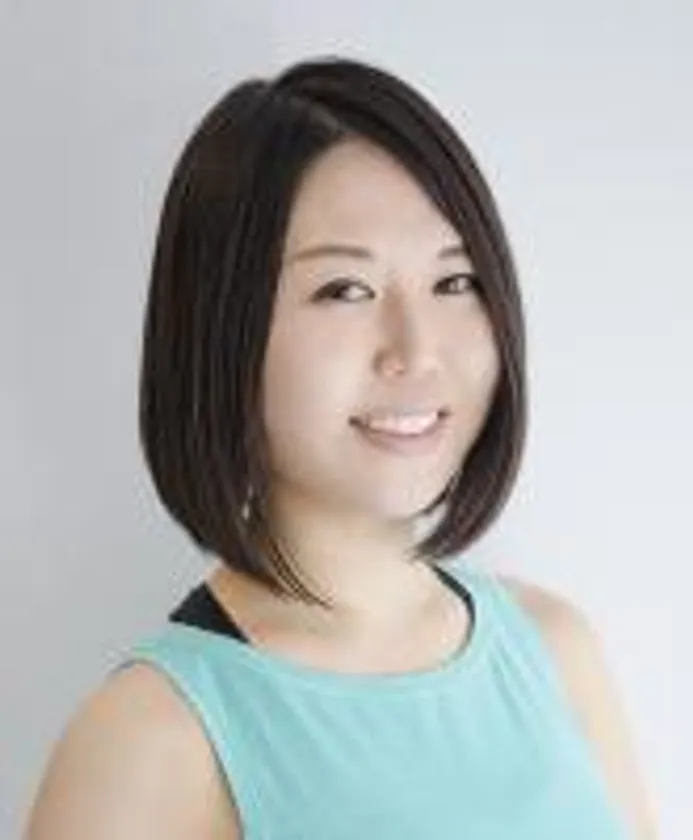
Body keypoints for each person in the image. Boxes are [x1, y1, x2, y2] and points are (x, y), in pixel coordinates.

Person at [24, 56, 658, 839]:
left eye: (454, 282)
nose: (415, 349)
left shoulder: (554, 650)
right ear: (222, 331)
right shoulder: (150, 740)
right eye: (344, 291)